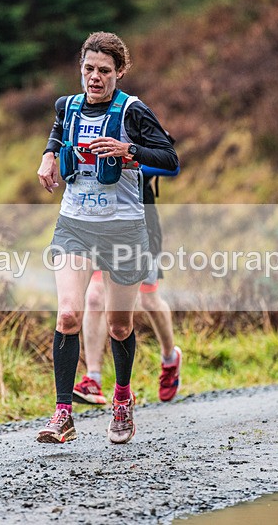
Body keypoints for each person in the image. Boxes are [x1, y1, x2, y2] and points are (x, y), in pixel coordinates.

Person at [36, 32, 178, 444]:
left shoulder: (134, 111)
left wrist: (127, 150)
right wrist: (49, 155)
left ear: (120, 72)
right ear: (80, 68)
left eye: (103, 70)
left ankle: (121, 398)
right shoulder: (68, 105)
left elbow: (169, 158)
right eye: (88, 69)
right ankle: (63, 414)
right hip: (75, 225)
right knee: (68, 314)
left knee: (119, 325)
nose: (94, 77)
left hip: (124, 229)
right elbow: (59, 131)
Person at [74, 149, 183, 406]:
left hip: (141, 227)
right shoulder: (90, 120)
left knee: (149, 302)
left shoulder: (138, 118)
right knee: (94, 297)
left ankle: (170, 359)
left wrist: (130, 163)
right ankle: (93, 379)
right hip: (102, 226)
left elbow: (172, 166)